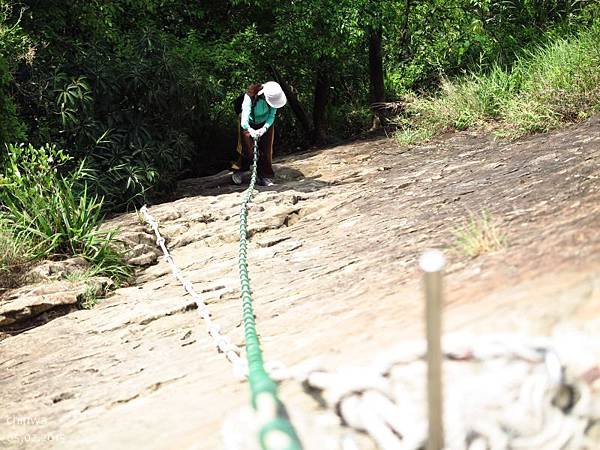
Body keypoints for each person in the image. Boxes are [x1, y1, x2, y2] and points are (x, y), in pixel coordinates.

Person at [231, 81, 287, 186]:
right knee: (246, 148)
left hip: (265, 123)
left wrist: (264, 128)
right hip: (248, 122)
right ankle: (239, 170)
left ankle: (265, 176)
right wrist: (250, 130)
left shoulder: (272, 100)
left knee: (266, 150)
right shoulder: (249, 96)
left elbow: (272, 116)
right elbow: (244, 119)